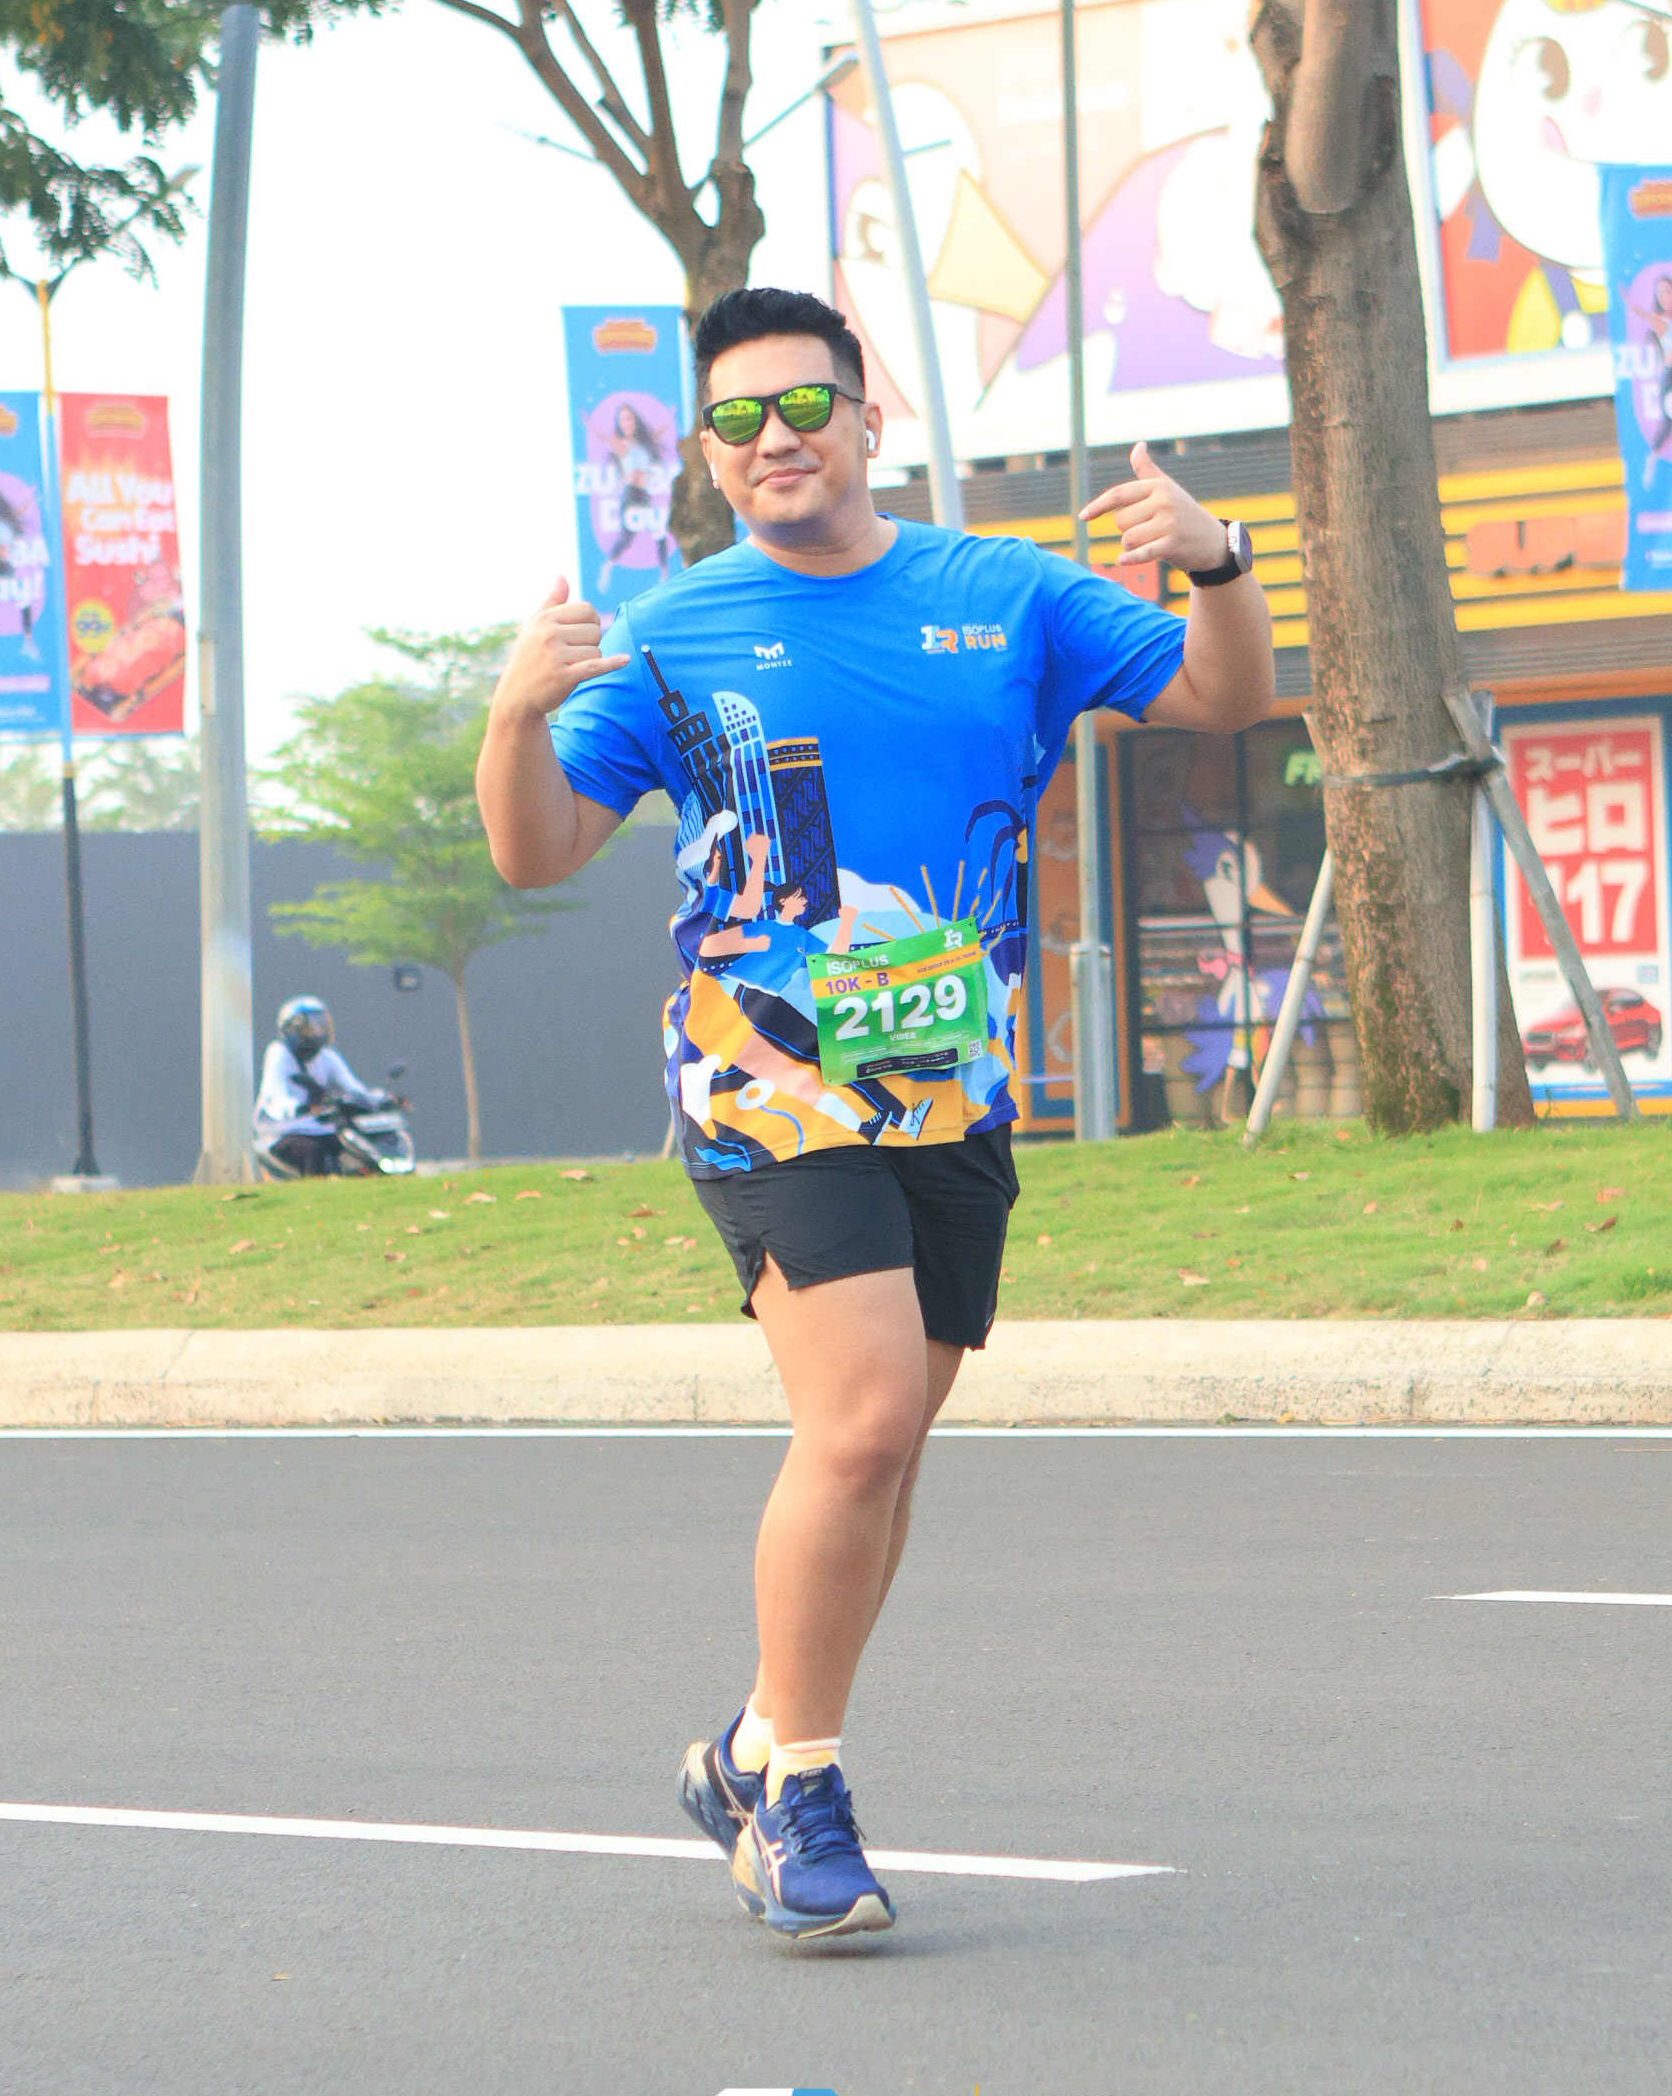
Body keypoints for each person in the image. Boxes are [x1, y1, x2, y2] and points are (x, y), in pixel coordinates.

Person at [477, 283, 1273, 1947]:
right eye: (738, 419)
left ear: (866, 418)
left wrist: (1219, 565)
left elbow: (1222, 698)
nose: (774, 439)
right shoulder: (673, 632)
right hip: (764, 1079)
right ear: (710, 453)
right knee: (857, 1420)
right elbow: (536, 852)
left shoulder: (1004, 592)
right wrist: (511, 720)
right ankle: (803, 1799)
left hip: (951, 1083)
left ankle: (750, 1746)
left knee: (891, 1439)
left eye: (804, 406)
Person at [255, 997, 396, 1174]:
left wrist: (378, 1099)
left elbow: (353, 1088)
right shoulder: (279, 1053)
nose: (317, 1032)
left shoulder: (327, 1056)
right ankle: (313, 1189)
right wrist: (300, 1109)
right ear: (291, 1029)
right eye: (309, 1027)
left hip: (319, 1129)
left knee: (356, 1149)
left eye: (321, 1025)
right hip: (283, 1132)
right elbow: (274, 1096)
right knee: (313, 1152)